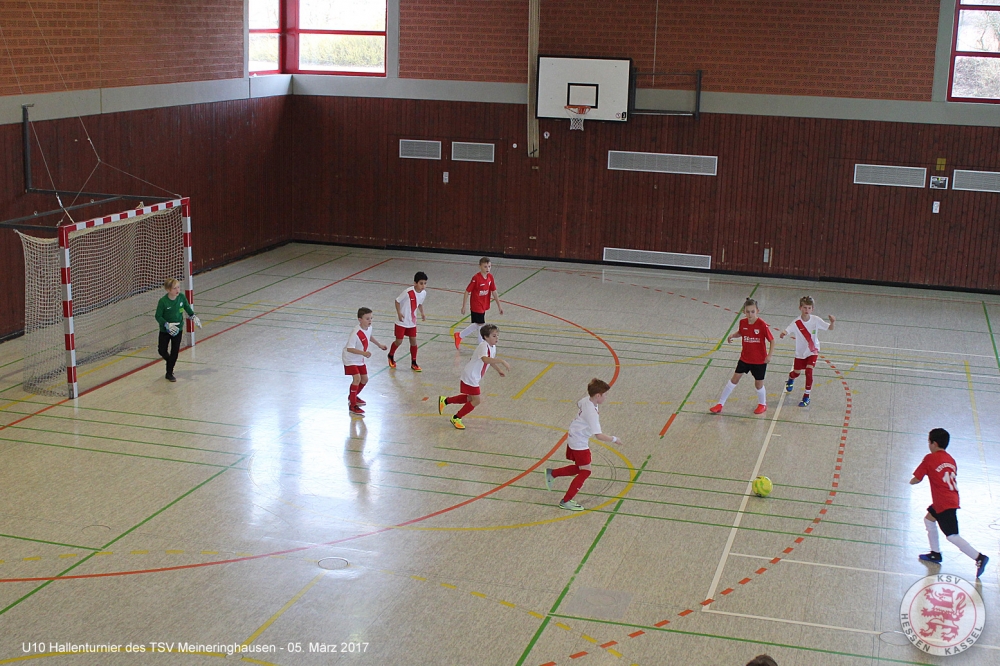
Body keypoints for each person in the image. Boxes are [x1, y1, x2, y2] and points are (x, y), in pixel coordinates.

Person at [910, 427, 989, 578]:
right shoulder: (951, 460)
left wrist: (908, 481)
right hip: (950, 498)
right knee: (929, 519)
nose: (929, 445)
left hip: (943, 503)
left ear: (934, 443)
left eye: (929, 442)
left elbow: (917, 478)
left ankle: (979, 557)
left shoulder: (930, 458)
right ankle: (935, 553)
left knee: (952, 535)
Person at [545, 378, 621, 512]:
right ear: (598, 396)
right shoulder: (592, 414)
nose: (606, 397)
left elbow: (578, 403)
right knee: (586, 471)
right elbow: (599, 435)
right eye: (605, 395)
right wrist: (614, 439)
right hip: (579, 442)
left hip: (573, 436)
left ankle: (552, 473)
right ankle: (566, 501)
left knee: (581, 468)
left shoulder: (587, 400)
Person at [710, 298, 774, 415]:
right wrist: (733, 335)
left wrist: (769, 355)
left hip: (759, 361)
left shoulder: (762, 325)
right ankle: (720, 404)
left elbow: (772, 340)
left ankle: (762, 404)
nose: (750, 314)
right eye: (747, 312)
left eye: (752, 311)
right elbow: (741, 332)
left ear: (757, 311)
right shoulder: (743, 322)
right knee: (734, 379)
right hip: (745, 358)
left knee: (758, 384)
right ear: (744, 312)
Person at [438, 324, 509, 429]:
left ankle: (445, 401)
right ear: (486, 337)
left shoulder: (493, 347)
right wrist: (502, 361)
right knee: (476, 400)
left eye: (497, 335)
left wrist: (499, 370)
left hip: (474, 376)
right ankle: (456, 417)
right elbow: (485, 359)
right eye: (494, 336)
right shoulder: (483, 346)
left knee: (470, 398)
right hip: (471, 375)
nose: (496, 338)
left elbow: (490, 361)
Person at [779, 296, 835, 407]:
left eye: (809, 308)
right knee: (796, 373)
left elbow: (830, 328)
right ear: (800, 308)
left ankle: (806, 396)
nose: (807, 310)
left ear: (812, 309)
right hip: (800, 353)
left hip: (813, 350)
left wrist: (832, 322)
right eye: (805, 307)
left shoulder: (816, 320)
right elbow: (788, 329)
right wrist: (784, 333)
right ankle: (791, 378)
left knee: (809, 371)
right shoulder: (797, 322)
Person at [343, 307, 387, 416]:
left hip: (359, 358)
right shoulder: (355, 333)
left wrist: (379, 345)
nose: (370, 321)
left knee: (364, 379)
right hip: (350, 358)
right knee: (357, 378)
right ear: (360, 319)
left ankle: (353, 396)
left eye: (371, 318)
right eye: (367, 319)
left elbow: (369, 336)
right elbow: (349, 348)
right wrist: (363, 353)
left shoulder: (369, 328)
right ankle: (353, 405)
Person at [154, 278, 200, 382]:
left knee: (175, 351)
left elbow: (187, 307)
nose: (177, 290)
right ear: (168, 290)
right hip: (165, 330)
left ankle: (169, 373)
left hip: (178, 329)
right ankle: (170, 361)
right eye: (174, 288)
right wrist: (166, 324)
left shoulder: (181, 297)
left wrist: (193, 316)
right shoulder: (163, 301)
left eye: (178, 287)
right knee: (162, 350)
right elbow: (158, 316)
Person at [454, 257, 503, 349]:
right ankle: (481, 347)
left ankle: (459, 335)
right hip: (476, 305)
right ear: (480, 266)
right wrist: (464, 306)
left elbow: (494, 291)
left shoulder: (490, 277)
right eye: (485, 267)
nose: (488, 269)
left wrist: (499, 306)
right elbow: (467, 291)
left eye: (489, 266)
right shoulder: (476, 278)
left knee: (477, 324)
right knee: (482, 325)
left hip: (484, 304)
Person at [388, 271, 428, 372]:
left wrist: (422, 313)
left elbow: (419, 304)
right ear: (415, 283)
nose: (423, 286)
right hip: (401, 321)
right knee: (399, 341)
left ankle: (414, 362)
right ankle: (390, 355)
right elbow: (397, 301)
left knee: (413, 341)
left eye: (425, 283)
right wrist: (399, 313)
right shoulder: (407, 292)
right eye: (421, 283)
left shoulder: (423, 293)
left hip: (412, 322)